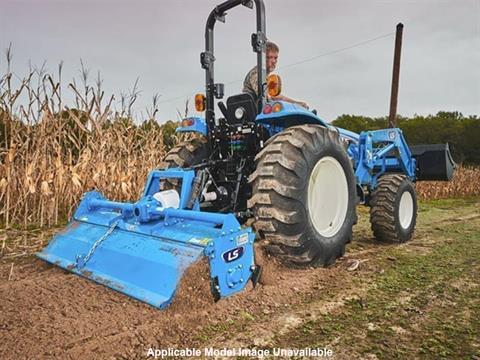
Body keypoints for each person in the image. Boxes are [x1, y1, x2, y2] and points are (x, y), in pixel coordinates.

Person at [243, 41, 308, 109]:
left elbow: (277, 97)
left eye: (275, 58)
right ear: (262, 58)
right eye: (269, 57)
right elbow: (264, 96)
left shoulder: (266, 77)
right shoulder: (256, 74)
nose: (274, 61)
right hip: (253, 113)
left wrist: (297, 104)